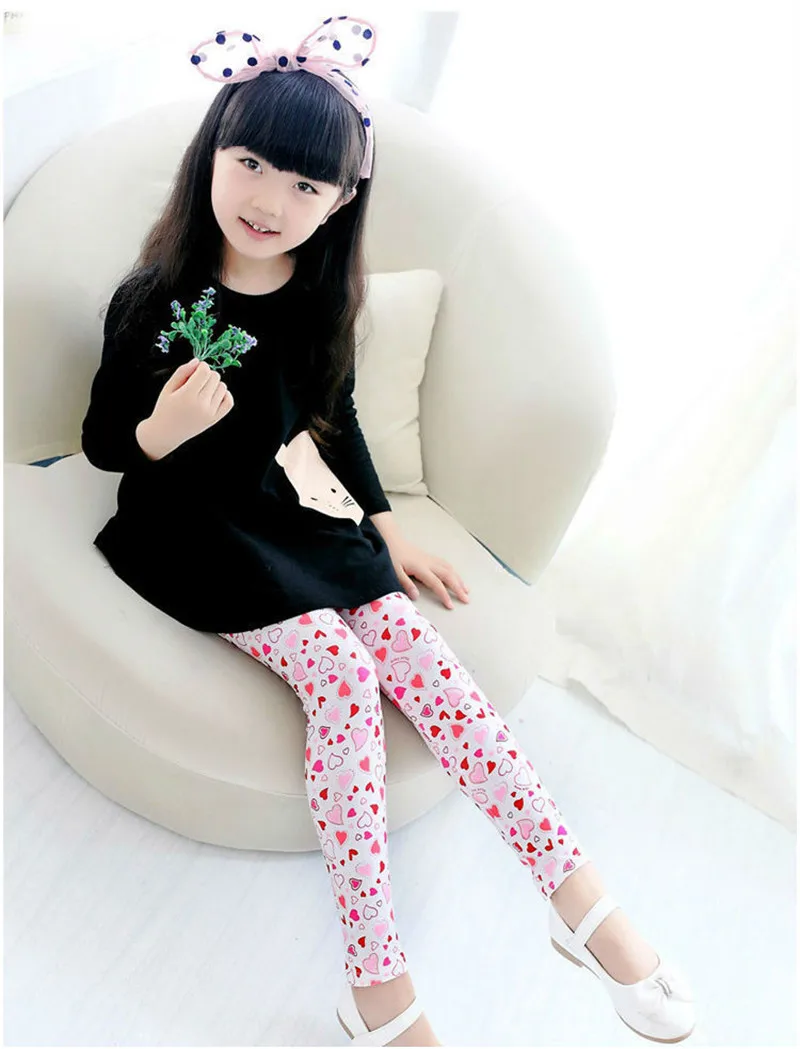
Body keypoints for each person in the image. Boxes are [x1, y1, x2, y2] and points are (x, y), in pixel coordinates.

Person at [80, 16, 695, 1048]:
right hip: (181, 527)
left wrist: (384, 524)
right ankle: (375, 982)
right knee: (337, 671)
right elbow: (104, 442)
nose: (271, 200)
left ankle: (577, 896)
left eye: (305, 184)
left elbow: (335, 413)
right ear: (211, 153)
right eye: (251, 162)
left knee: (418, 648)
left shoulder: (316, 296)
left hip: (275, 517)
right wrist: (161, 429)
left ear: (339, 200)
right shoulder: (155, 297)